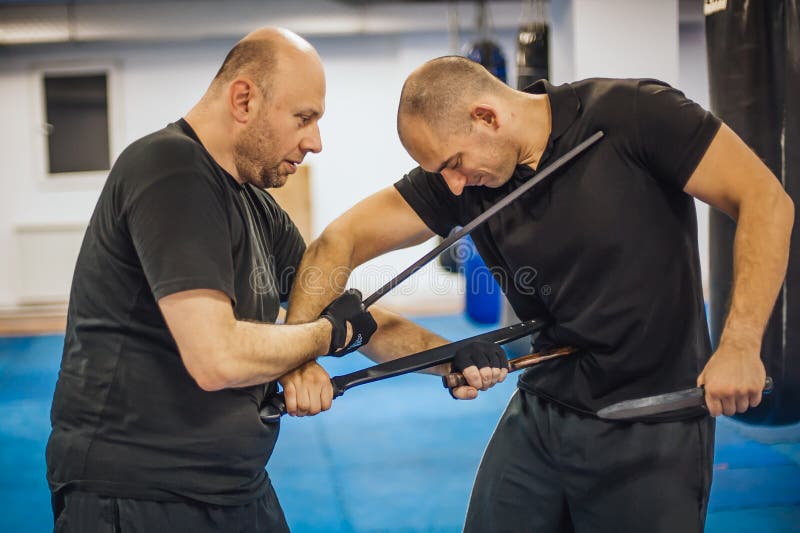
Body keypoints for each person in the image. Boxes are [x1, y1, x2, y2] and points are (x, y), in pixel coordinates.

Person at [280, 56, 794, 532]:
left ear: (487, 116)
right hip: (543, 409)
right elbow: (337, 241)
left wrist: (742, 344)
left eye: (455, 163)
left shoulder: (633, 114)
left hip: (651, 420)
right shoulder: (463, 179)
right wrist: (299, 354)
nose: (455, 186)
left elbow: (765, 200)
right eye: (442, 173)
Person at [45, 27, 383, 532]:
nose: (315, 142)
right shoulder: (169, 169)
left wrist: (446, 359)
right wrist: (325, 338)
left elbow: (348, 307)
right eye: (304, 118)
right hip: (139, 494)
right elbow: (216, 358)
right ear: (244, 99)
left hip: (233, 486)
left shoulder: (256, 205)